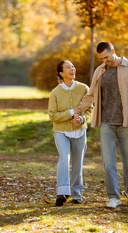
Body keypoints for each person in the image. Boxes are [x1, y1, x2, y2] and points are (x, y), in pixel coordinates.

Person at [74, 41, 128, 208]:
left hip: (126, 123)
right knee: (108, 162)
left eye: (106, 57)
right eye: (101, 58)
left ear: (113, 51)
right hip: (107, 123)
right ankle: (113, 197)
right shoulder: (100, 70)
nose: (105, 61)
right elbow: (91, 94)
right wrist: (77, 110)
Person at [48, 60, 92, 206]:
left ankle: (77, 195)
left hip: (80, 131)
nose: (72, 69)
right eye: (68, 67)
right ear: (61, 73)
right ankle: (62, 193)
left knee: (78, 163)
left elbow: (90, 108)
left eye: (73, 66)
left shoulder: (84, 88)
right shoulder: (55, 93)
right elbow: (52, 115)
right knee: (64, 159)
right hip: (61, 132)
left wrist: (82, 118)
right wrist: (71, 112)